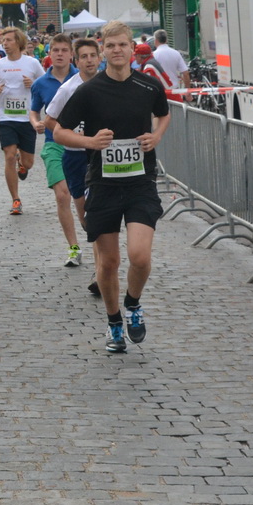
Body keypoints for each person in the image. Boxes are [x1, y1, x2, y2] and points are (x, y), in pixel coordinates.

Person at [52, 22, 169, 353]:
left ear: (133, 48)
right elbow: (60, 132)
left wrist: (156, 136)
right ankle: (114, 320)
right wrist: (89, 141)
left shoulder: (148, 86)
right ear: (103, 50)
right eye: (111, 45)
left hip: (140, 182)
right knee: (109, 263)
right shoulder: (88, 92)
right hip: (102, 184)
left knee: (140, 256)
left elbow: (164, 114)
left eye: (123, 45)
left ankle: (133, 304)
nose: (117, 50)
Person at [43, 36, 102, 285]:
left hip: (100, 157)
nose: (89, 61)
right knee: (87, 218)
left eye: (93, 56)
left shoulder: (108, 83)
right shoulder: (68, 89)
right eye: (84, 57)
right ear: (77, 62)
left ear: (100, 58)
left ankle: (100, 273)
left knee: (100, 215)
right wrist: (75, 135)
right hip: (75, 157)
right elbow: (49, 121)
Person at [0, 27, 43, 215]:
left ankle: (23, 163)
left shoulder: (32, 63)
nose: (4, 43)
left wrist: (34, 84)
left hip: (27, 118)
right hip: (6, 118)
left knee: (28, 163)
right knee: (9, 155)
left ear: (19, 42)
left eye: (9, 40)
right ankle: (15, 199)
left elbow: (45, 84)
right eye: (3, 40)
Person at [30, 35, 83, 267]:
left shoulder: (83, 77)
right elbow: (34, 110)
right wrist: (35, 123)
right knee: (63, 195)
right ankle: (73, 248)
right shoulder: (41, 83)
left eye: (64, 50)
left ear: (71, 54)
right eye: (55, 50)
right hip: (54, 144)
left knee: (86, 202)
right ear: (49, 54)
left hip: (83, 145)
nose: (60, 54)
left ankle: (96, 239)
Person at [147, 29, 191, 96]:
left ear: (155, 40)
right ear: (166, 40)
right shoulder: (176, 53)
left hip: (159, 91)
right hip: (175, 91)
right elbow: (186, 73)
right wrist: (188, 92)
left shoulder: (153, 55)